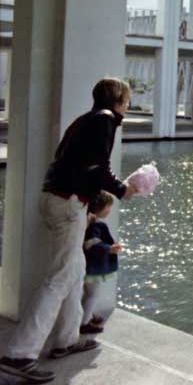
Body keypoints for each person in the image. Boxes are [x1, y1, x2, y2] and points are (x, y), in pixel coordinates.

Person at [0, 78, 139, 384]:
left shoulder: (85, 120)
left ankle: (66, 339)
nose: (128, 105)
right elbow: (97, 168)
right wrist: (121, 189)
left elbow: (74, 162)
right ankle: (19, 355)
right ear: (117, 99)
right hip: (68, 203)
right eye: (127, 99)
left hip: (56, 198)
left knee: (74, 274)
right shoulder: (105, 120)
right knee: (60, 278)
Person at [78, 192, 120, 335]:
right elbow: (91, 244)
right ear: (101, 207)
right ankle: (84, 323)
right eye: (108, 206)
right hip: (92, 267)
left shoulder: (86, 220)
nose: (109, 210)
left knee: (86, 293)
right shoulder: (96, 225)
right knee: (92, 295)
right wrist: (109, 249)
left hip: (84, 265)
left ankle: (87, 315)